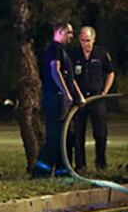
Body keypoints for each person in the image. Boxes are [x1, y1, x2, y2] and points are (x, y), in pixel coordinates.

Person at [32, 21, 85, 178]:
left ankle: (64, 172)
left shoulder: (64, 52)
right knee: (55, 138)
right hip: (55, 99)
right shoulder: (54, 49)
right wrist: (66, 93)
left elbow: (71, 78)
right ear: (60, 32)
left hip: (63, 99)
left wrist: (79, 95)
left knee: (67, 137)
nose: (71, 36)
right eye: (69, 33)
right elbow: (55, 71)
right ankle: (40, 172)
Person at [70, 26, 115, 171]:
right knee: (78, 135)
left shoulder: (101, 54)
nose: (85, 44)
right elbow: (71, 78)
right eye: (83, 41)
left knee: (101, 134)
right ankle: (80, 165)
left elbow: (110, 73)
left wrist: (104, 91)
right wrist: (78, 96)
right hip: (80, 100)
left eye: (88, 41)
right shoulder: (74, 55)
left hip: (97, 99)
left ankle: (101, 164)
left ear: (93, 39)